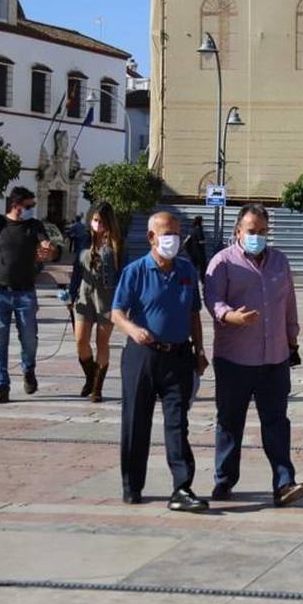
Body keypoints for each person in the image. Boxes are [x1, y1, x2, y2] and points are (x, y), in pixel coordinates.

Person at [205, 204, 303, 507]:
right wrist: (228, 316)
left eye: (263, 231)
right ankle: (224, 481)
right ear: (238, 231)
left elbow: (288, 301)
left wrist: (292, 339)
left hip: (274, 358)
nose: (258, 237)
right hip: (234, 358)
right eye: (252, 231)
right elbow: (211, 298)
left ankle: (284, 482)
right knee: (229, 422)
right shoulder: (222, 262)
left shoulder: (279, 261)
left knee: (277, 422)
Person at [112, 211, 209, 511]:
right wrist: (133, 330)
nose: (174, 239)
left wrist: (200, 351)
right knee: (135, 422)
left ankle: (182, 488)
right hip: (142, 357)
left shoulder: (186, 270)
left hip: (178, 356)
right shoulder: (136, 271)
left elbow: (194, 313)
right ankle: (132, 484)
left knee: (178, 424)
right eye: (168, 233)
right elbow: (117, 313)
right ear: (152, 237)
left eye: (177, 233)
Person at [0, 186, 55, 404]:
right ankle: (2, 386)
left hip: (26, 293)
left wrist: (49, 249)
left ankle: (28, 369)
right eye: (28, 206)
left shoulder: (34, 225)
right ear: (16, 205)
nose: (32, 209)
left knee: (29, 339)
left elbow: (47, 246)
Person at [69, 202, 122, 402]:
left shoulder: (117, 243)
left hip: (107, 297)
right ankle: (90, 377)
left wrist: (124, 302)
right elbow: (76, 271)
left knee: (102, 343)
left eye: (102, 221)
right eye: (95, 220)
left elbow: (123, 274)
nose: (97, 224)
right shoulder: (84, 240)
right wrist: (71, 294)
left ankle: (97, 389)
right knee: (81, 341)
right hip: (84, 294)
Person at [183, 215, 208, 283]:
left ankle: (191, 280)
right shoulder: (199, 229)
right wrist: (205, 241)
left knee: (193, 267)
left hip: (192, 252)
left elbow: (188, 239)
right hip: (199, 252)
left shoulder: (192, 229)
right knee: (203, 268)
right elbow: (201, 240)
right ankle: (203, 281)